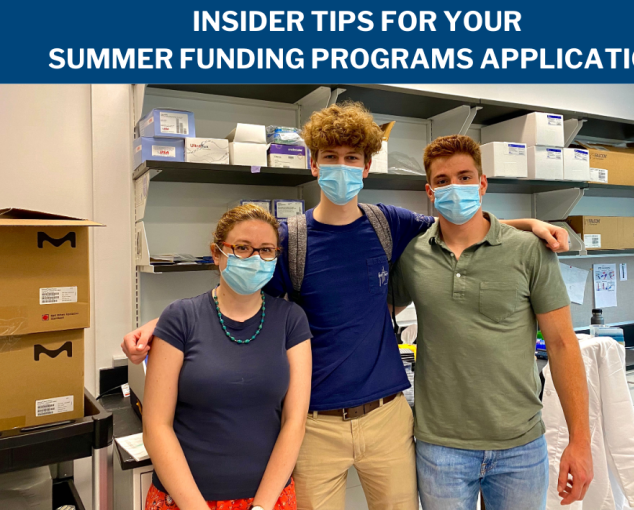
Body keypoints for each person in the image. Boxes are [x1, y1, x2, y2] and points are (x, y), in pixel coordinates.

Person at [124, 102, 570, 510]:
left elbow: (458, 225)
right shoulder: (288, 240)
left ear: (367, 166)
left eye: (352, 158)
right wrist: (167, 321)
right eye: (331, 157)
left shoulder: (388, 223)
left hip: (387, 418)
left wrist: (529, 224)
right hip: (313, 425)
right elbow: (238, 292)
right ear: (314, 165)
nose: (341, 167)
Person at [388, 135, 593, 510]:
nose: (456, 187)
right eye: (444, 180)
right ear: (430, 192)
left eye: (466, 177)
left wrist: (580, 443)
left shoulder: (530, 249)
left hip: (520, 444)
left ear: (482, 184)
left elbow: (563, 345)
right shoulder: (412, 255)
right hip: (440, 446)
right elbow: (375, 313)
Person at [142, 204, 312, 510]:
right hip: (184, 499)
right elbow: (156, 427)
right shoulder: (180, 317)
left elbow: (294, 422)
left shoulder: (291, 320)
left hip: (269, 497)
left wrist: (261, 506)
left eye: (267, 250)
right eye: (243, 248)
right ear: (218, 253)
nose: (256, 258)